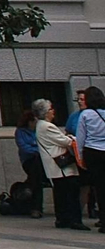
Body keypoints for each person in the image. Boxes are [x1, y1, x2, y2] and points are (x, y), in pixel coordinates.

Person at [33, 98, 86, 230]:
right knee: (70, 193)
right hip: (61, 166)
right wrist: (73, 138)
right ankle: (73, 220)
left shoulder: (41, 125)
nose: (53, 111)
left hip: (55, 167)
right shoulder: (47, 126)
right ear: (45, 112)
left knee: (60, 193)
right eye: (50, 109)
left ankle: (62, 219)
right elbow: (65, 141)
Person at [77, 86, 105, 233]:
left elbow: (81, 136)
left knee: (99, 187)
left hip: (92, 152)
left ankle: (103, 219)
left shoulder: (86, 114)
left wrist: (80, 156)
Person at [68, 89, 98, 220]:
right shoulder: (74, 116)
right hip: (80, 154)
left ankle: (95, 209)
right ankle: (80, 212)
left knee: (96, 185)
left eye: (82, 99)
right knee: (85, 184)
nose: (79, 102)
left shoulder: (94, 114)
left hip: (93, 152)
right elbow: (68, 131)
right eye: (78, 99)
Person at [15, 107, 46, 218]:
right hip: (30, 160)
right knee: (36, 175)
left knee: (36, 177)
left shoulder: (38, 131)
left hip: (41, 160)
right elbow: (24, 148)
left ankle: (35, 205)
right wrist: (37, 150)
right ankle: (36, 207)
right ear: (29, 122)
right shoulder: (21, 132)